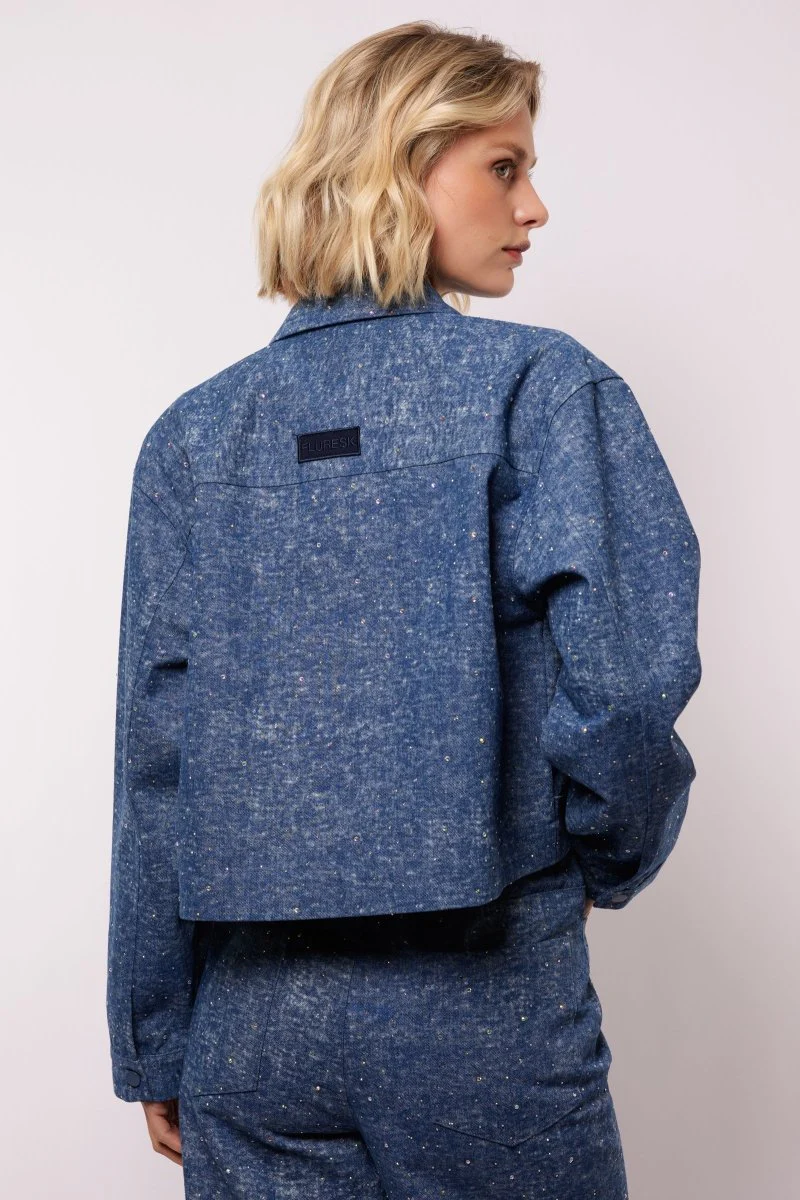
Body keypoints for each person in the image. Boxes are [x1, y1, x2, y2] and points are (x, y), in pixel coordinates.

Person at [106, 20, 702, 1199]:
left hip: (249, 1031)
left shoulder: (192, 437)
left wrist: (157, 1034)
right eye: (503, 167)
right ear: (401, 164)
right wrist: (598, 865)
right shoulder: (538, 388)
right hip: (481, 994)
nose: (532, 207)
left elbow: (157, 759)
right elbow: (624, 686)